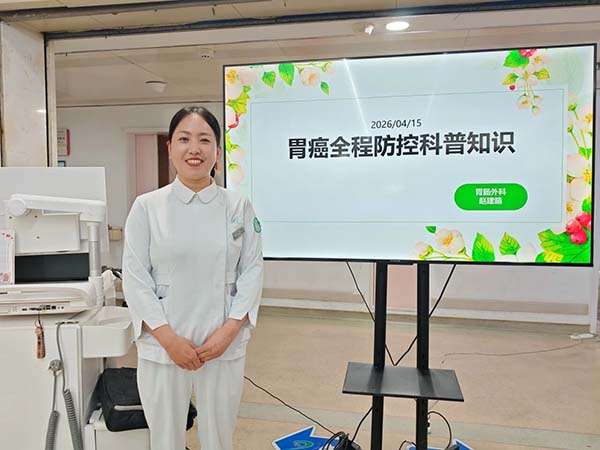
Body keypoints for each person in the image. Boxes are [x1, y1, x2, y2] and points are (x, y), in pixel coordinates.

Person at [122, 106, 264, 450]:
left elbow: (252, 270)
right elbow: (135, 278)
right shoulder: (147, 207)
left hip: (222, 341)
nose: (194, 149)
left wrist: (229, 331)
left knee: (219, 436)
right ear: (170, 148)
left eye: (204, 140)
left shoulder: (238, 206)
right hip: (164, 342)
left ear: (218, 151)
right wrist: (168, 339)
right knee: (165, 438)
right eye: (184, 139)